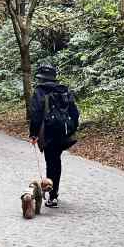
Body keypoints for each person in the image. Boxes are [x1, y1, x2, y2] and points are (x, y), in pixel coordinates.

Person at [28, 64, 79, 208]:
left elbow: (36, 114)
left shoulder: (40, 91)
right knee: (56, 161)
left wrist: (33, 134)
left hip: (48, 132)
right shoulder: (64, 90)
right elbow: (75, 112)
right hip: (63, 132)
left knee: (51, 163)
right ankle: (53, 193)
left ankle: (52, 195)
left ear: (41, 78)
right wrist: (71, 128)